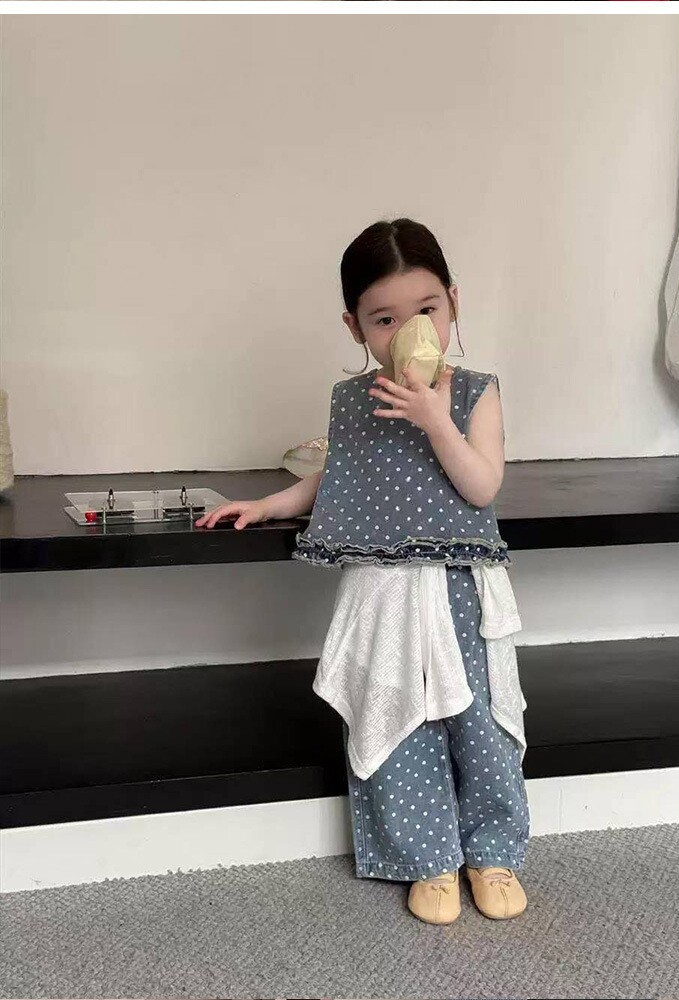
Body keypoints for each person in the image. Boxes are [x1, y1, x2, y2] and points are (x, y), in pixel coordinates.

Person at [196, 219, 530, 925]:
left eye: (426, 309)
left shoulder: (475, 392)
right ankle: (426, 857)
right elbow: (341, 477)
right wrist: (269, 504)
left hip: (459, 586)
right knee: (398, 716)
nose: (409, 330)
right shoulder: (354, 399)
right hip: (384, 588)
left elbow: (481, 485)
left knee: (478, 720)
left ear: (453, 303)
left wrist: (435, 418)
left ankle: (492, 850)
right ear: (355, 326)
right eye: (385, 319)